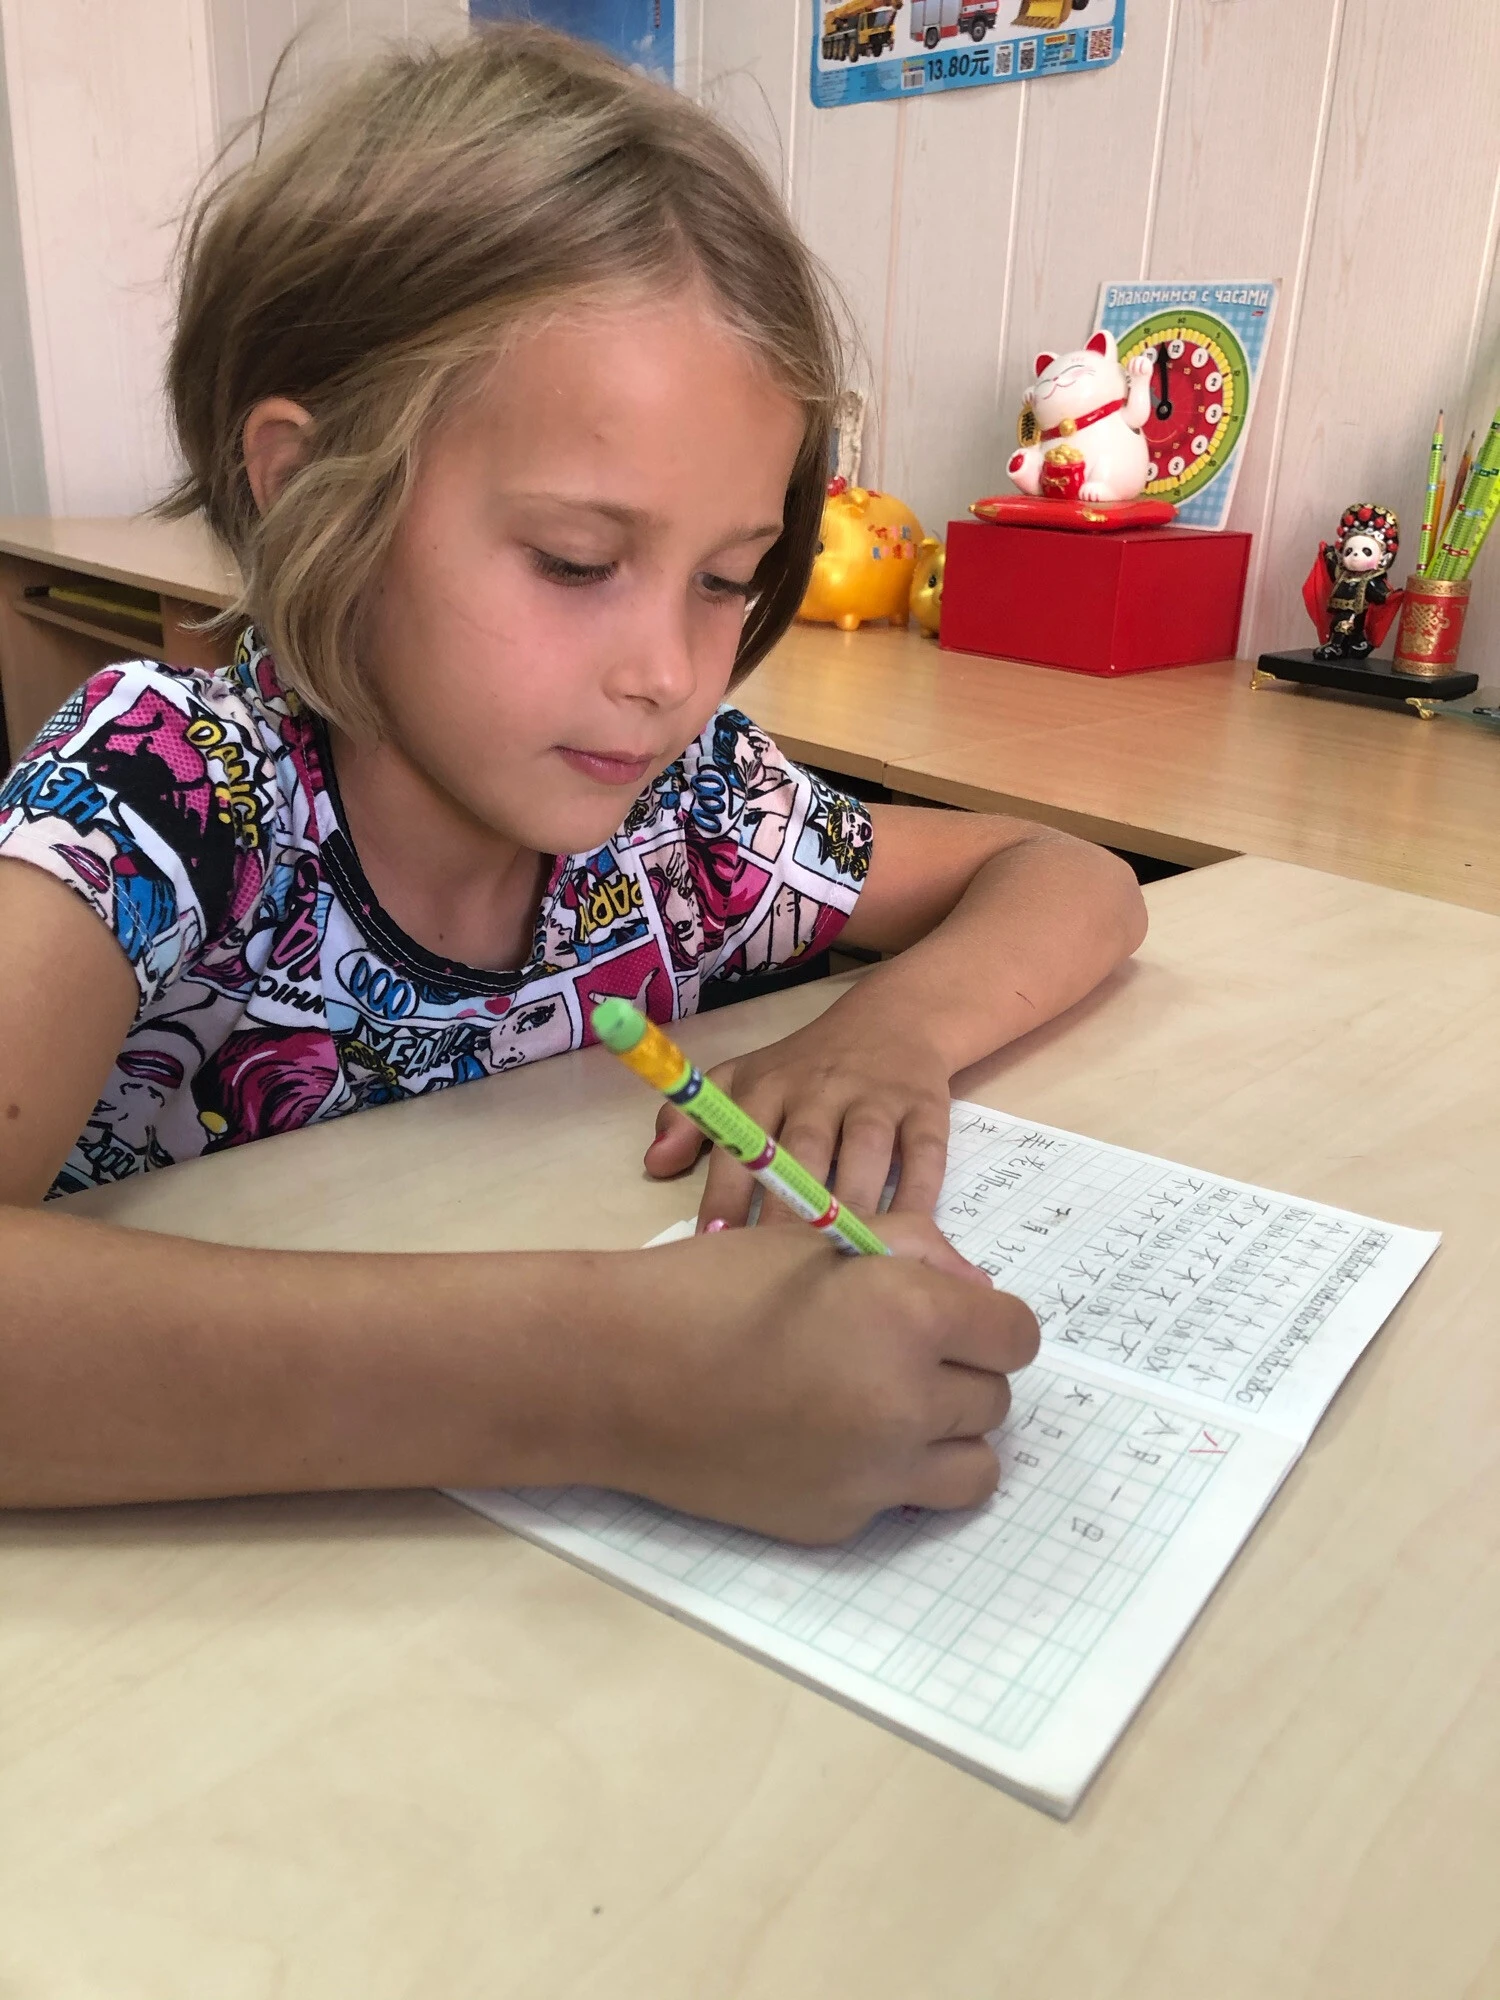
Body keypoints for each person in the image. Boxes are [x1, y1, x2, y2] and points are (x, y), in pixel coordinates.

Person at [0, 28, 1145, 1536]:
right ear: (303, 492)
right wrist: (614, 1382)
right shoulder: (168, 786)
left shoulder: (686, 817)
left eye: (727, 579)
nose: (669, 673)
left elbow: (1071, 878)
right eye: (575, 561)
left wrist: (891, 1033)